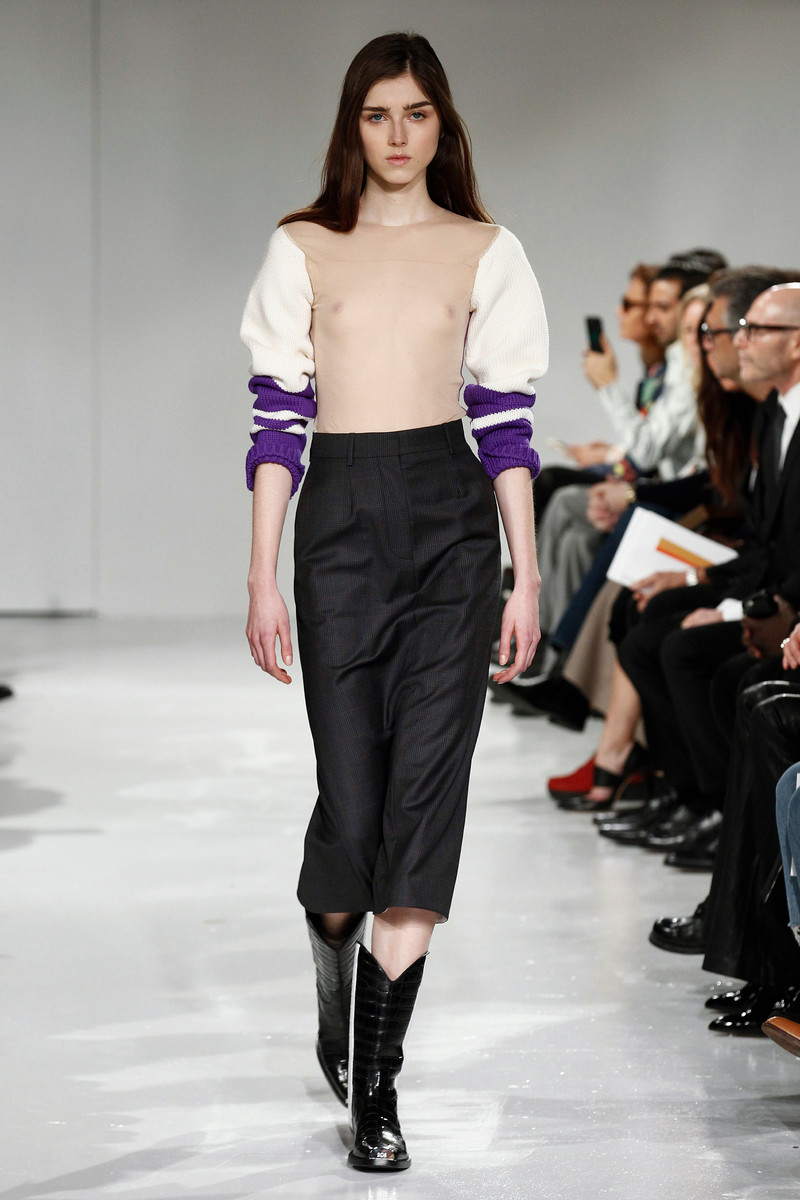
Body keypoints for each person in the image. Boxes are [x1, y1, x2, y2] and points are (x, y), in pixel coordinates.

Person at [240, 32, 547, 1172]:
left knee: (423, 806)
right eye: (378, 113)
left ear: (442, 122)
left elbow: (504, 425)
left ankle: (376, 1092)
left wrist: (523, 572)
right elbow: (277, 419)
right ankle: (333, 952)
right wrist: (262, 572)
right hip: (337, 529)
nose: (398, 133)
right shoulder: (303, 247)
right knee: (354, 811)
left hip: (451, 532)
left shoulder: (486, 250)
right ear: (352, 126)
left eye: (417, 112)